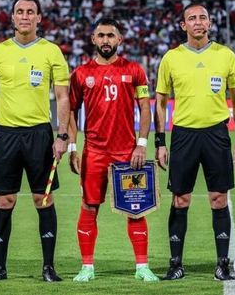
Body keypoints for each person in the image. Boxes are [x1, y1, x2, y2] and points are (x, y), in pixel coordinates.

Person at [0, 0, 70, 282]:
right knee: (4, 200)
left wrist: (62, 134)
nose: (25, 16)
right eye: (20, 11)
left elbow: (63, 96)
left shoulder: (52, 51)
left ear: (39, 17)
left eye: (31, 11)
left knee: (43, 199)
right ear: (13, 17)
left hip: (40, 135)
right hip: (6, 135)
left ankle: (48, 267)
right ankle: (0, 267)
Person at [154, 3, 235, 281]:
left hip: (216, 134)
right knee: (180, 199)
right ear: (183, 25)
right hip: (183, 135)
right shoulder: (171, 58)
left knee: (218, 199)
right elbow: (159, 103)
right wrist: (160, 142)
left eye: (202, 17)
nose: (197, 22)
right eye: (191, 18)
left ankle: (222, 264)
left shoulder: (225, 56)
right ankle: (175, 263)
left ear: (210, 23)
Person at [67, 18, 159, 282]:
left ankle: (142, 267)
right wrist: (73, 146)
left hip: (127, 152)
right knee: (89, 206)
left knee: (136, 207)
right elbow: (71, 110)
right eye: (101, 35)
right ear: (93, 39)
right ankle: (87, 267)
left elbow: (145, 108)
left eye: (111, 35)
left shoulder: (134, 70)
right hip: (94, 152)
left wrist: (141, 144)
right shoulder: (81, 74)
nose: (106, 40)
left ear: (120, 39)